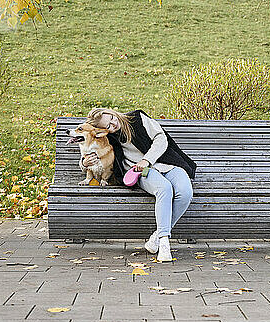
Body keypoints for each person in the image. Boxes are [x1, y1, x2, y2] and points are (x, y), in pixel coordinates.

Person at [81, 108, 196, 262]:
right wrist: (83, 163)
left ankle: (157, 236)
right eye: (107, 126)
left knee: (185, 192)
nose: (112, 125)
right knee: (164, 188)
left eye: (111, 119)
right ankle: (164, 243)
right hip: (140, 171)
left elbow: (161, 138)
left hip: (167, 163)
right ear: (102, 131)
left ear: (111, 112)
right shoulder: (109, 139)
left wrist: (147, 160)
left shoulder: (137, 118)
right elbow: (90, 149)